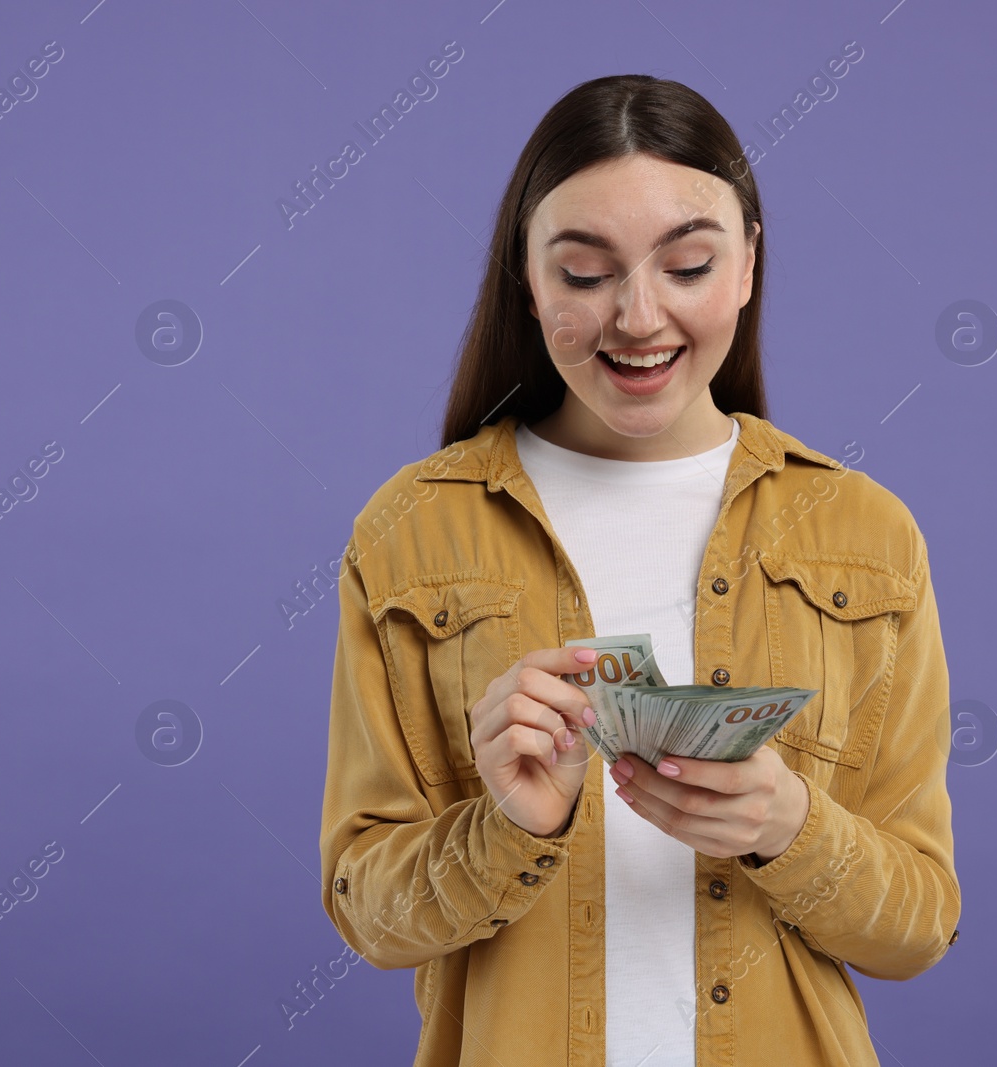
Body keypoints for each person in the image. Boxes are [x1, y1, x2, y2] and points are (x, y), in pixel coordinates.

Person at [318, 74, 960, 1067]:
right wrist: (504, 826)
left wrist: (792, 827)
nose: (638, 316)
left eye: (688, 263)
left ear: (747, 263)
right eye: (583, 273)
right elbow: (369, 910)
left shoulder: (864, 532)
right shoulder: (411, 529)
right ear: (527, 284)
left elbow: (918, 924)